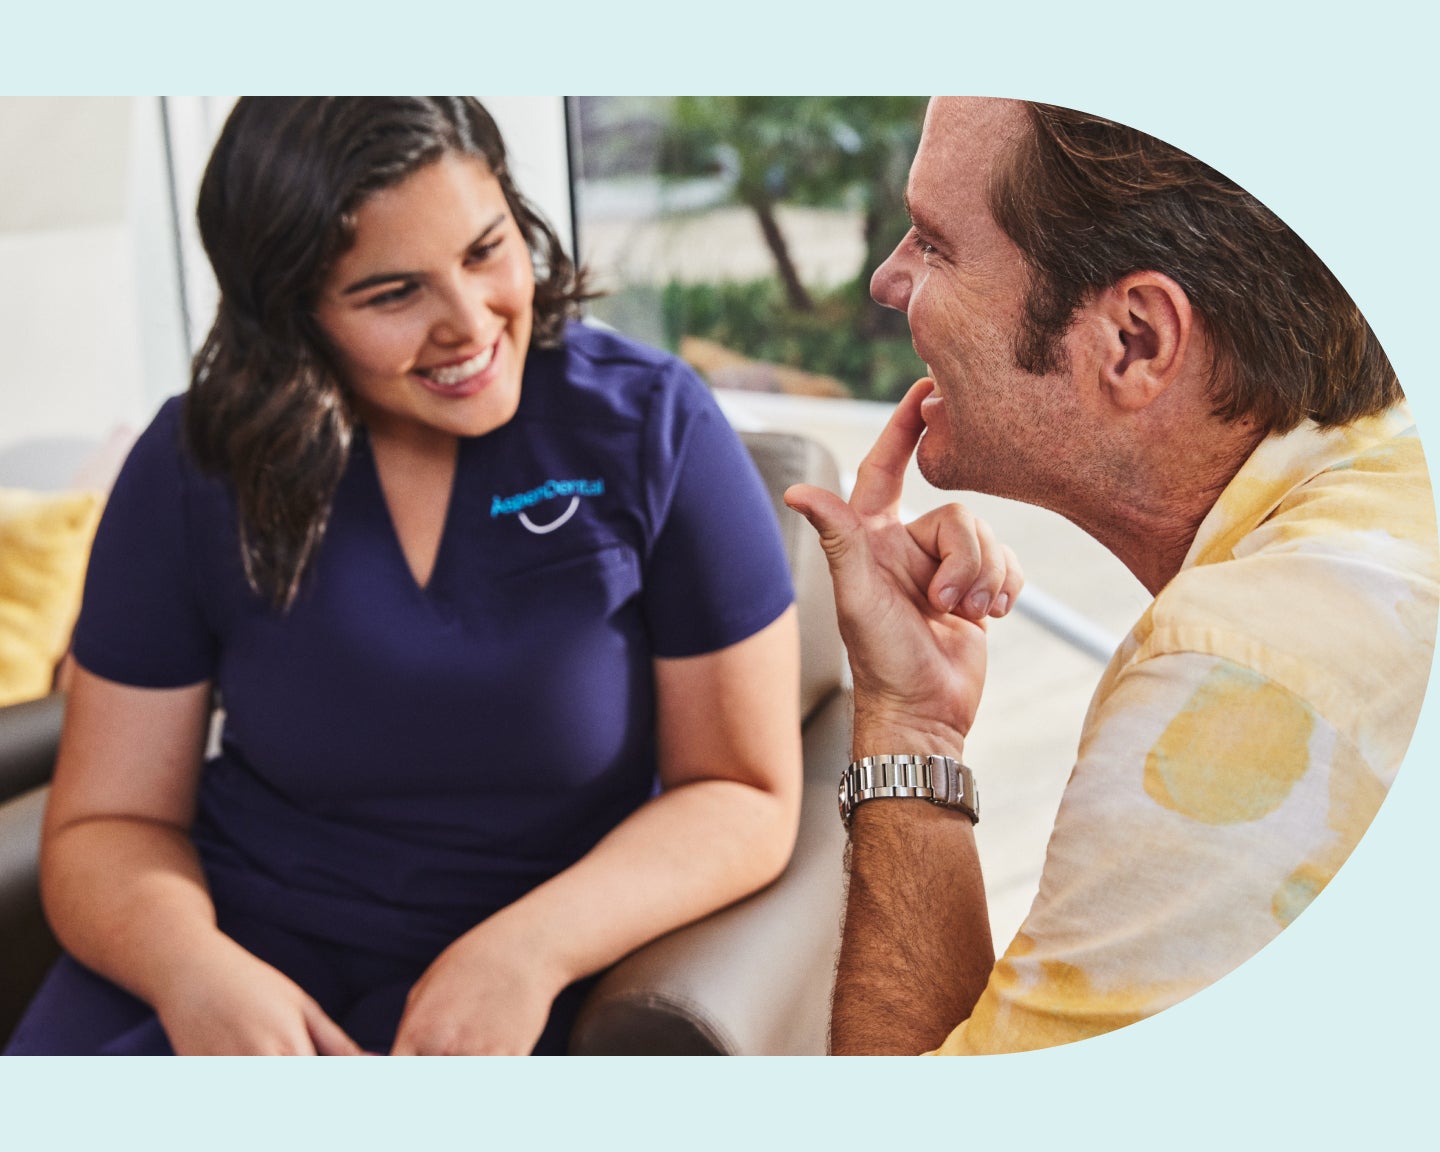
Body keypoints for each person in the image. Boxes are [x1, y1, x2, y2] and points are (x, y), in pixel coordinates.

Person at [5, 97, 802, 1056]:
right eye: (392, 294)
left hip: (533, 973)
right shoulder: (194, 465)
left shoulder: (650, 426)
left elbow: (744, 790)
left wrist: (529, 953)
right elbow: (109, 820)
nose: (470, 324)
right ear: (291, 312)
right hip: (223, 962)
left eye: (485, 250)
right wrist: (195, 976)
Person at [785, 97, 1438, 1055]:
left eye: (932, 241)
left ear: (1133, 340)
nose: (888, 278)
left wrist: (904, 727)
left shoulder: (1241, 674)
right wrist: (915, 708)